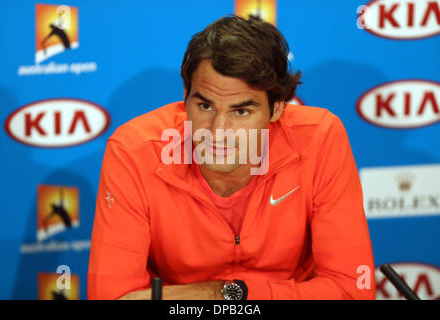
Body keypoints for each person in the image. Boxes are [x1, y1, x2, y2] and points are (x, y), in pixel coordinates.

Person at [87, 15, 376, 300]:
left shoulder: (319, 138)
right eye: (205, 106)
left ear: (276, 109)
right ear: (186, 94)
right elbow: (112, 298)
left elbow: (353, 292)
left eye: (241, 111)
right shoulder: (135, 151)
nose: (218, 131)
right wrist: (226, 296)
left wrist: (230, 297)